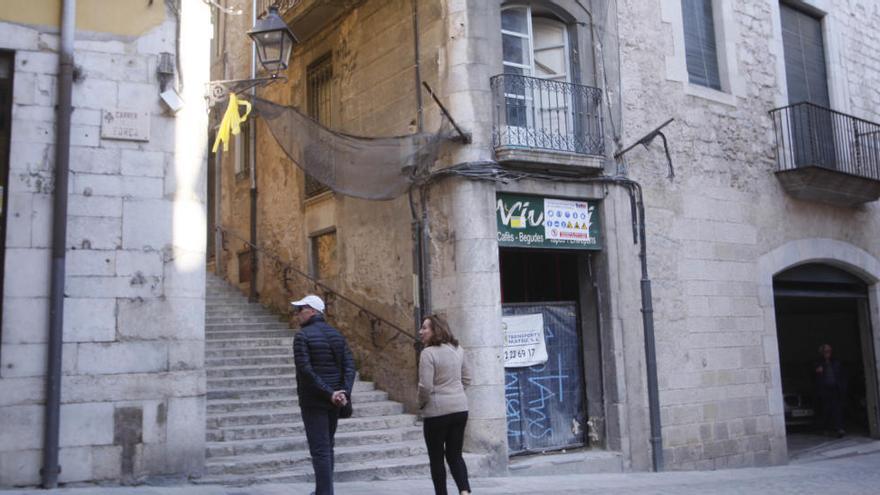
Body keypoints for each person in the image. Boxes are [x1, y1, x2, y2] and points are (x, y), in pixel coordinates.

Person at [291, 294, 355, 495]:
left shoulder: (302, 336)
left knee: (320, 449)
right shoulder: (337, 334)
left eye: (300, 309)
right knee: (328, 446)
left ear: (312, 310)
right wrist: (342, 392)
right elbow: (350, 366)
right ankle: (322, 491)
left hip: (315, 401)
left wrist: (331, 393)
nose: (297, 314)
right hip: (334, 400)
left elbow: (305, 371)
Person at [418, 314, 472, 495]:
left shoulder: (428, 353)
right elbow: (467, 378)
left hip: (436, 412)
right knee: (455, 455)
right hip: (460, 409)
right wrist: (455, 393)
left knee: (437, 458)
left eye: (425, 328)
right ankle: (465, 491)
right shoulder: (458, 349)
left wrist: (422, 403)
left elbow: (425, 386)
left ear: (435, 330)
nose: (421, 332)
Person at [814, 343, 846, 437]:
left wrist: (842, 387)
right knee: (826, 409)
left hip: (835, 389)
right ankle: (825, 428)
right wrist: (817, 372)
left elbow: (842, 375)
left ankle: (839, 428)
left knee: (837, 409)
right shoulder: (817, 363)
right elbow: (813, 377)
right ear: (822, 353)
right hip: (824, 390)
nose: (828, 353)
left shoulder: (836, 362)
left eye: (829, 351)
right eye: (826, 351)